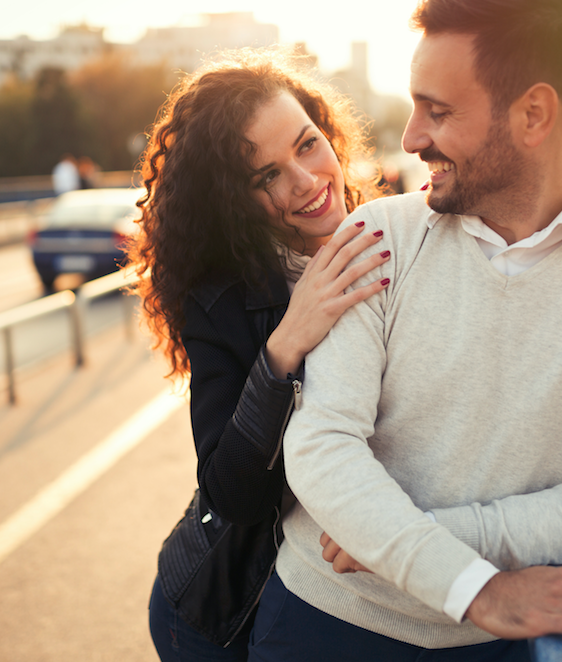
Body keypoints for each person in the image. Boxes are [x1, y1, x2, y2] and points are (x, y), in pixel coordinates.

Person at [248, 0, 562, 660]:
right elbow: (322, 448)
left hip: (492, 644)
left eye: (437, 111)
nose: (409, 139)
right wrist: (476, 588)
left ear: (533, 115)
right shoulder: (377, 236)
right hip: (326, 622)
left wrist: (417, 537)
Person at [126, 49, 387, 661]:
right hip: (217, 612)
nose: (306, 182)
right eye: (265, 176)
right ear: (233, 200)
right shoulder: (220, 299)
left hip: (332, 608)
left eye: (307, 145)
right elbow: (231, 493)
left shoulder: (392, 235)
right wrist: (284, 345)